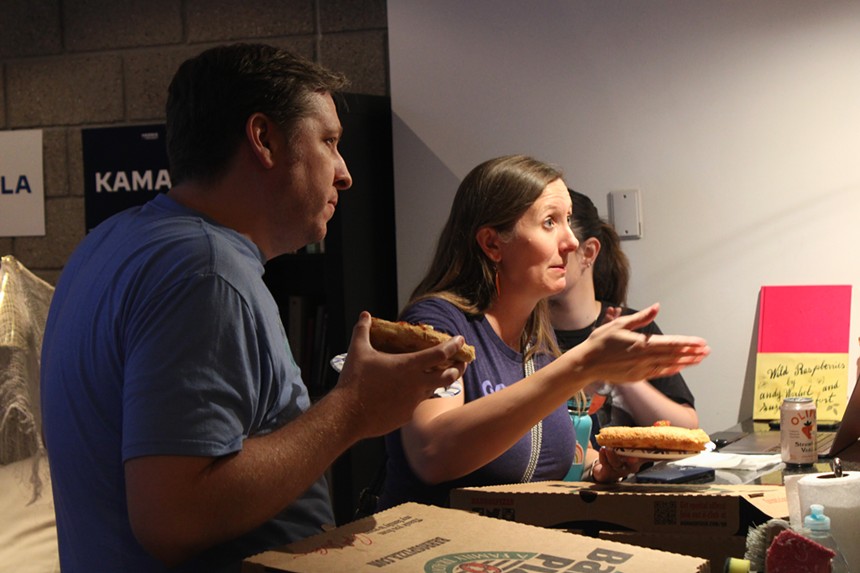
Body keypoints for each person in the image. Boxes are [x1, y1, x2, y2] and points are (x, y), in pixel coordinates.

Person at [39, 44, 468, 573]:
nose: (344, 173)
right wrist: (354, 410)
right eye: (329, 142)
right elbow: (174, 520)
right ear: (264, 139)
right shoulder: (206, 270)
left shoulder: (111, 241)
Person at [377, 155, 709, 510]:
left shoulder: (536, 339)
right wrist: (582, 364)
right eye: (550, 222)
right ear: (492, 244)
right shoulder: (437, 325)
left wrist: (597, 465)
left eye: (567, 221)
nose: (569, 242)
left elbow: (536, 456)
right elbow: (433, 454)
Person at [549, 189, 698, 438]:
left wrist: (622, 373)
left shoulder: (631, 326)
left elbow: (688, 430)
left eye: (560, 248)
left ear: (588, 253)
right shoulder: (526, 334)